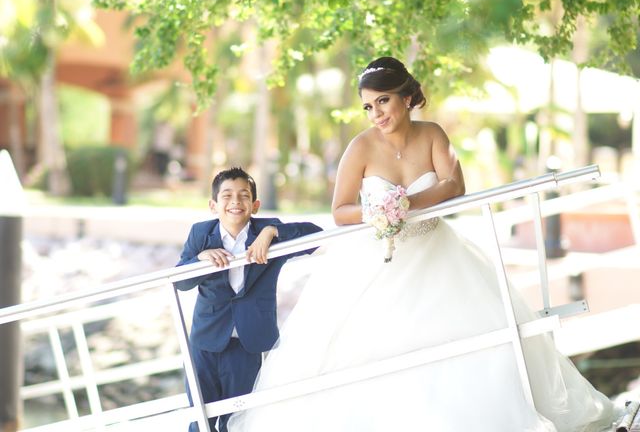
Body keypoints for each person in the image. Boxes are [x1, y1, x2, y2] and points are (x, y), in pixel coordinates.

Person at [227, 58, 619, 431]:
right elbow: (340, 210)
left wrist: (408, 204)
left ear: (406, 97)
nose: (377, 113)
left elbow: (454, 185)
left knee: (475, 339)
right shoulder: (360, 147)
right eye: (368, 107)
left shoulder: (433, 134)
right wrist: (378, 212)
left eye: (383, 101)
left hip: (438, 253)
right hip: (377, 260)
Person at [175, 166, 322, 432]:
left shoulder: (267, 231)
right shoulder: (200, 234)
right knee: (200, 420)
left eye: (244, 196)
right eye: (227, 196)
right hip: (205, 343)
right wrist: (199, 260)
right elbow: (180, 282)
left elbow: (316, 235)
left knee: (237, 423)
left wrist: (272, 232)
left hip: (248, 344)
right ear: (213, 205)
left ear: (255, 205)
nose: (235, 202)